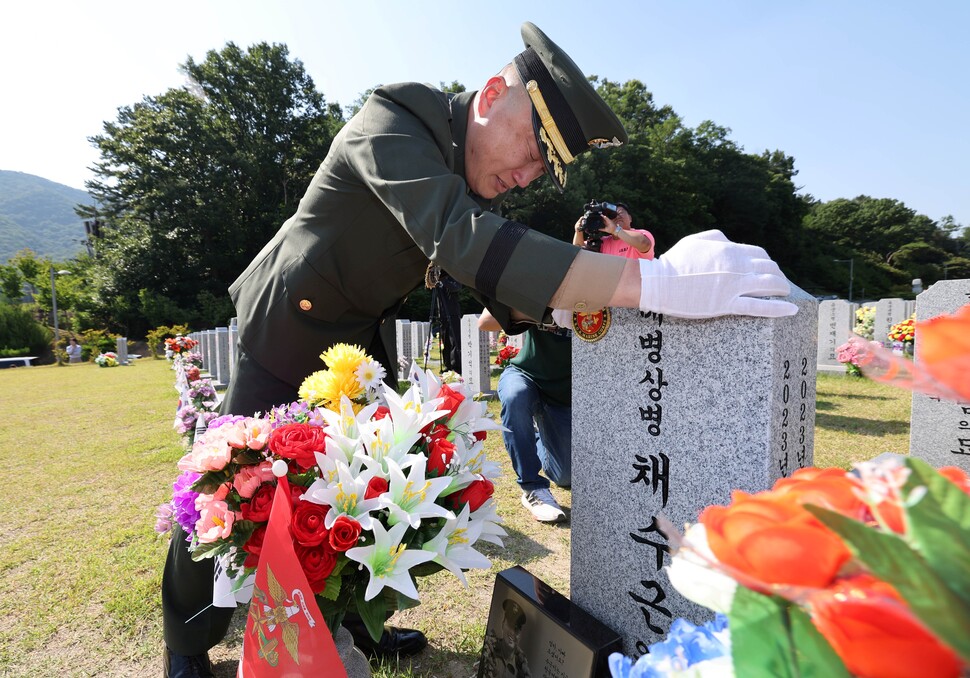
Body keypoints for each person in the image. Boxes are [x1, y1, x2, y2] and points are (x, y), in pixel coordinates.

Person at [162, 22, 796, 676]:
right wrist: (650, 282)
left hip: (356, 339)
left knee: (356, 490)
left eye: (540, 169)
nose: (524, 176)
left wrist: (579, 301)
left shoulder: (460, 171)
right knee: (228, 484)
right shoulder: (398, 119)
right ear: (493, 93)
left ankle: (354, 618)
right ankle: (185, 641)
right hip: (288, 325)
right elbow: (463, 241)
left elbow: (499, 280)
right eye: (528, 147)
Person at [480, 309, 571, 522]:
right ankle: (532, 487)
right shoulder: (536, 279)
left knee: (565, 476)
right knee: (515, 397)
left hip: (565, 393)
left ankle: (536, 435)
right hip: (526, 375)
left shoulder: (602, 283)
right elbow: (485, 321)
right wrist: (542, 310)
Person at [572, 202, 653, 258]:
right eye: (613, 215)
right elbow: (577, 254)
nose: (617, 216)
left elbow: (644, 244)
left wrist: (615, 230)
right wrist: (578, 231)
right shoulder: (602, 243)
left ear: (630, 218)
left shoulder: (641, 234)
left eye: (621, 212)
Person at [480, 599, 532, 678]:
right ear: (503, 623)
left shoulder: (521, 667)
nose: (513, 633)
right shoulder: (488, 652)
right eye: (510, 625)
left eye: (517, 629)